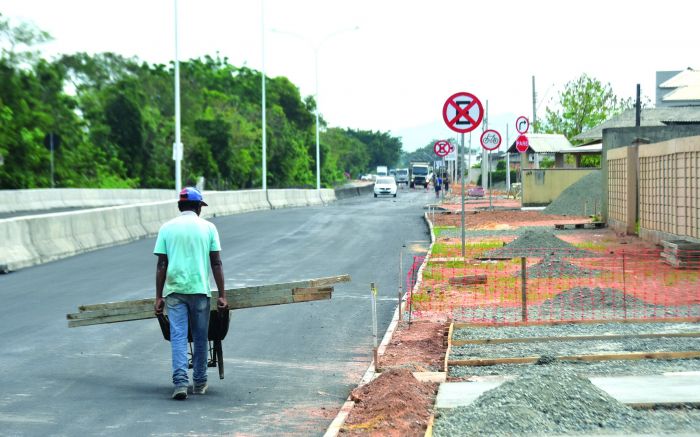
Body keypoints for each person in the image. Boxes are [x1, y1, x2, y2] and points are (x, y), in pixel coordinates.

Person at [154, 187, 228, 400]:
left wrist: (159, 297)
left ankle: (180, 383)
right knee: (200, 335)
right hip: (199, 290)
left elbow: (161, 264)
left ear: (180, 206)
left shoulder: (166, 228)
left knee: (178, 335)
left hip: (174, 290)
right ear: (197, 207)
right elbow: (216, 262)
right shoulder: (208, 228)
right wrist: (222, 295)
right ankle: (200, 381)